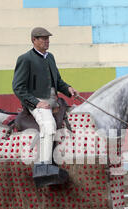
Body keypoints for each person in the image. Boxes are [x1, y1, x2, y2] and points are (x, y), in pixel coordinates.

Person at [12, 27, 79, 188]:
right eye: (42, 38)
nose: (46, 41)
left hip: (55, 101)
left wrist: (68, 89)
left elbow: (58, 80)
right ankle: (43, 166)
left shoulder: (51, 57)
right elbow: (18, 87)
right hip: (37, 103)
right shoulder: (25, 59)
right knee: (48, 126)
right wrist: (35, 102)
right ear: (33, 40)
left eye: (47, 38)